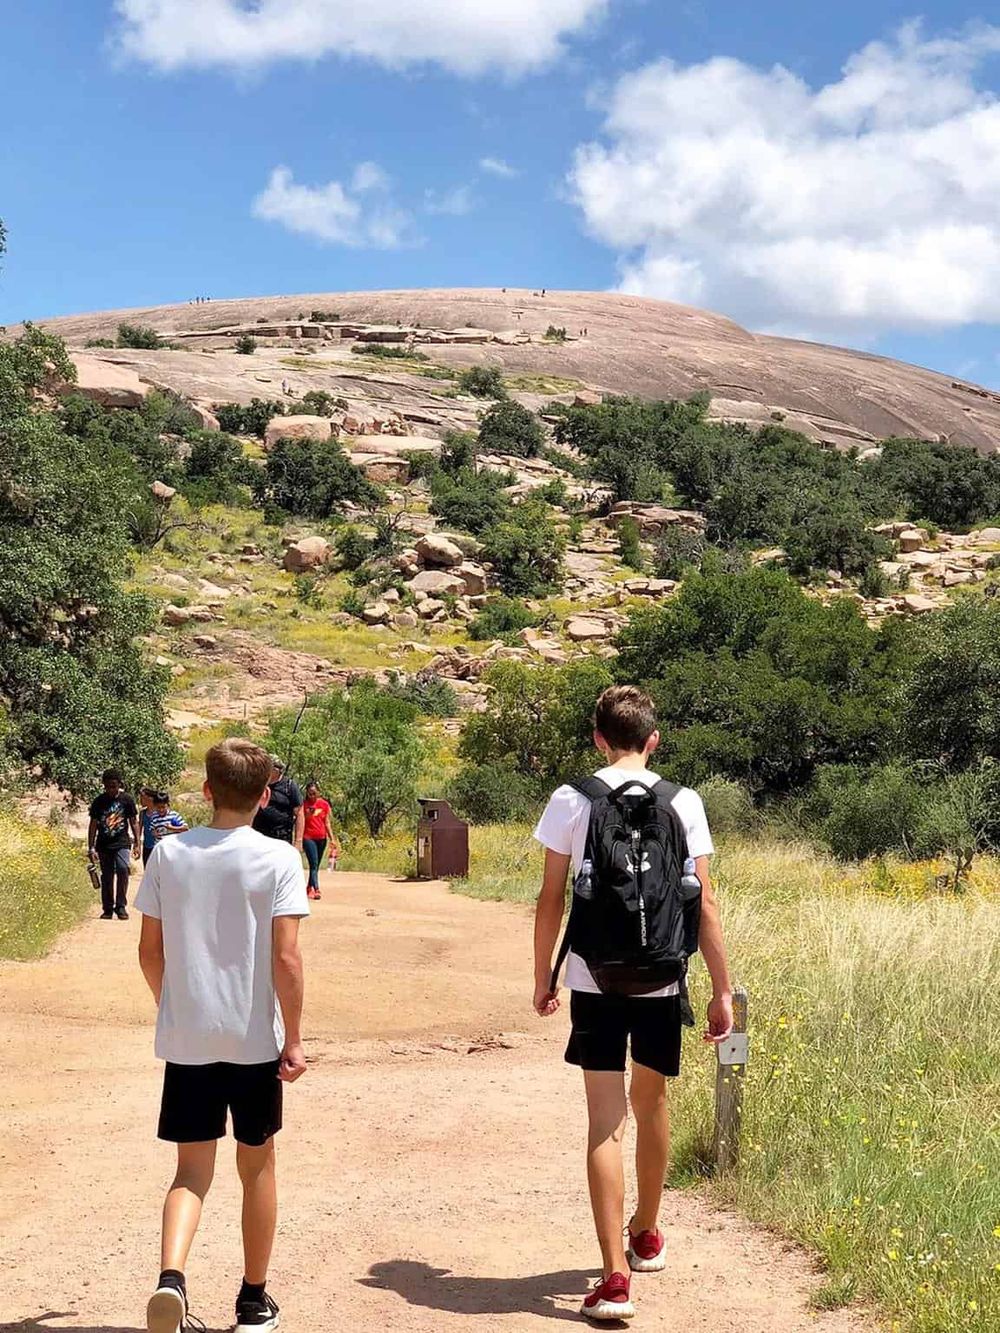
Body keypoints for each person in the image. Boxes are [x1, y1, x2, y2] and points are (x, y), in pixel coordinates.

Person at [532, 685, 733, 1323]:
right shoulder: (685, 801)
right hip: (664, 978)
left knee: (604, 1119)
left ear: (597, 738)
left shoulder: (571, 799)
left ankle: (613, 1278)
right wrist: (721, 990)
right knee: (652, 1104)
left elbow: (550, 898)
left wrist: (546, 974)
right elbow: (703, 900)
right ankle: (646, 1232)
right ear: (653, 740)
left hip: (595, 978)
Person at [136, 738, 308, 1333]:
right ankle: (254, 1300)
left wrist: (175, 1008)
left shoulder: (168, 853)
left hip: (189, 1040)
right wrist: (295, 1038)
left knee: (190, 1173)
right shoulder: (280, 859)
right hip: (253, 1039)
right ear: (265, 797)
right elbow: (286, 959)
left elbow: (149, 953)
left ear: (207, 791)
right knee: (256, 1167)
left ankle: (171, 1280)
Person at [88, 769, 140, 920]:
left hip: (122, 842)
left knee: (123, 869)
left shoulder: (127, 800)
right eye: (108, 786)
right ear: (104, 785)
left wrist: (137, 843)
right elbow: (93, 825)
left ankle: (121, 906)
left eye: (114, 786)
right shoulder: (99, 801)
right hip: (103, 844)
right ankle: (108, 908)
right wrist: (91, 847)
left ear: (119, 784)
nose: (111, 789)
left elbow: (134, 822)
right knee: (107, 876)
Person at [252, 757, 304, 849]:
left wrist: (298, 840)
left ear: (277, 770)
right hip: (258, 835)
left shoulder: (289, 786)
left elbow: (299, 813)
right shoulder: (259, 784)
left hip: (281, 837)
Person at [301, 781, 336, 901]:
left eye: (314, 793)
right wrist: (307, 815)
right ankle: (316, 889)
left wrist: (332, 838)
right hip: (308, 837)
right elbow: (301, 821)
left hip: (321, 838)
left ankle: (309, 887)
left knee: (315, 865)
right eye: (310, 794)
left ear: (318, 793)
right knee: (314, 863)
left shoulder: (324, 804)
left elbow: (327, 822)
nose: (312, 796)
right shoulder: (303, 805)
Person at [139, 787, 158, 867]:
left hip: (158, 847)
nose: (140, 800)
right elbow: (139, 830)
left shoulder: (160, 812)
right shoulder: (143, 813)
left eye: (142, 797)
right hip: (147, 847)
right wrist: (138, 845)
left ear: (149, 798)